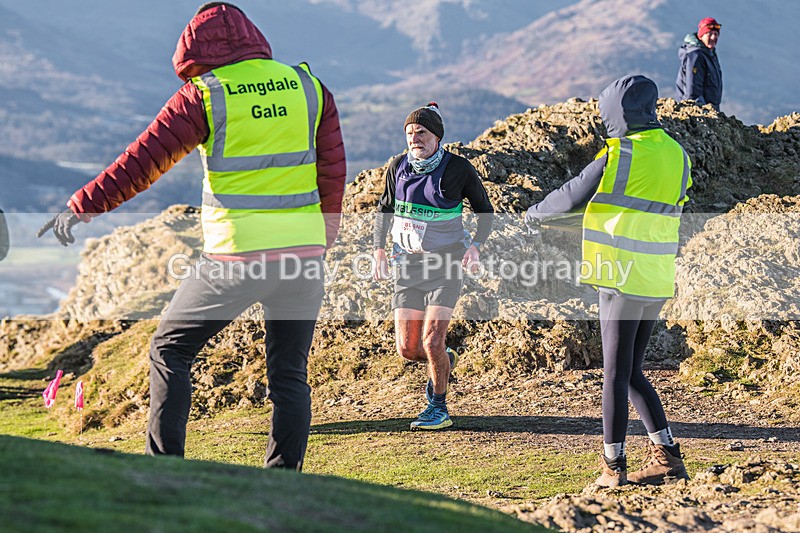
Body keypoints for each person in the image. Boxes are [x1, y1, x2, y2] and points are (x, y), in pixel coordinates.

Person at [37, 2, 346, 470]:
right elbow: (332, 169)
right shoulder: (308, 86)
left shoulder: (205, 95)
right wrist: (325, 234)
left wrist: (82, 206)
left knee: (169, 349)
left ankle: (166, 469)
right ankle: (284, 482)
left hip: (237, 258)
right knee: (289, 374)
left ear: (197, 51)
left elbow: (143, 163)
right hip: (304, 256)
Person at [525, 75, 691, 486]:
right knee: (633, 371)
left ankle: (612, 467)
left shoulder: (620, 152)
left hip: (619, 276)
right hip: (656, 275)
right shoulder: (678, 154)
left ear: (617, 113)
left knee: (615, 375)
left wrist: (532, 215)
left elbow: (567, 196)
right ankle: (668, 458)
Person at [372, 103, 494, 430]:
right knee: (408, 349)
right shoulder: (397, 167)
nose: (414, 138)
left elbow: (485, 210)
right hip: (407, 266)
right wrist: (378, 251)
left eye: (421, 132)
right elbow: (384, 210)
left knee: (431, 342)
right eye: (409, 133)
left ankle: (438, 407)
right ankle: (445, 361)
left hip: (447, 264)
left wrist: (476, 247)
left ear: (436, 136)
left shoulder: (459, 169)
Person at [676, 17, 723, 111]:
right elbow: (693, 90)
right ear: (701, 36)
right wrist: (700, 113)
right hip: (696, 110)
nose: (713, 37)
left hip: (709, 110)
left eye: (716, 34)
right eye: (709, 34)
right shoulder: (695, 56)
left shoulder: (710, 54)